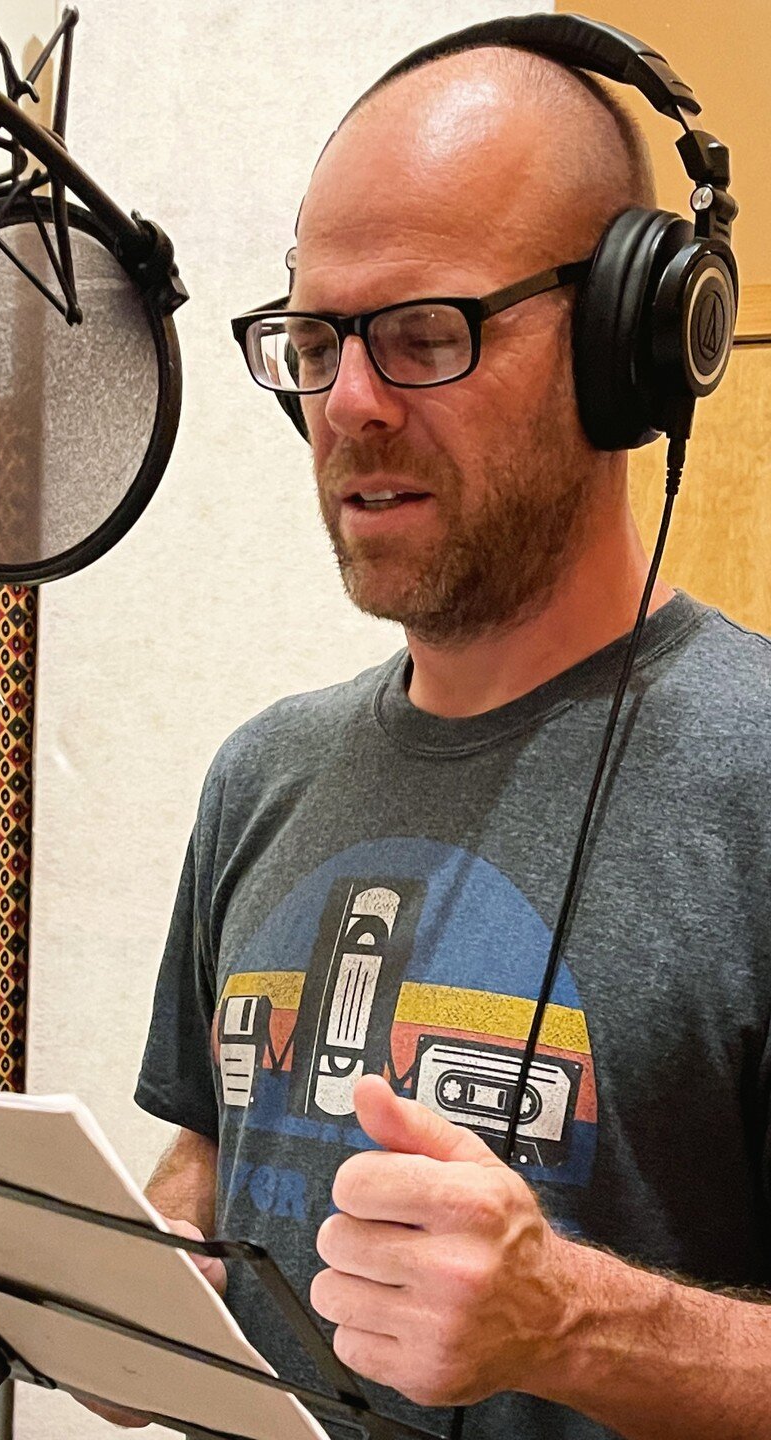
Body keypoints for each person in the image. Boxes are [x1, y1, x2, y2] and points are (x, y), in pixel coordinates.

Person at [133, 38, 771, 1440]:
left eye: (424, 333)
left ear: (627, 344)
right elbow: (206, 1162)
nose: (347, 405)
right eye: (311, 343)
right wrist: (124, 1281)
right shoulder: (259, 775)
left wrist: (575, 1326)